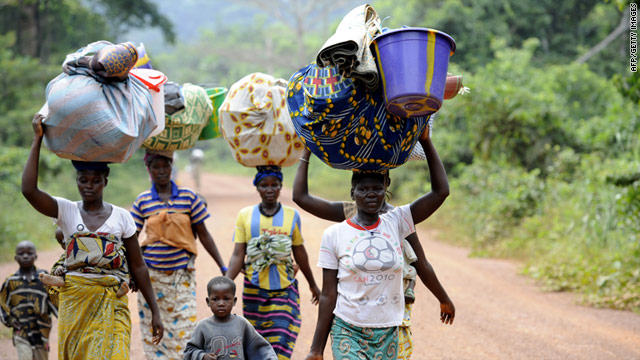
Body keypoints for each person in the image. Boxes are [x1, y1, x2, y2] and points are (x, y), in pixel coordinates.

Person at [21, 113, 163, 360]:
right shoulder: (66, 210)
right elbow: (29, 190)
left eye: (95, 181)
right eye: (83, 180)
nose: (89, 185)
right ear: (76, 181)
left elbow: (138, 265)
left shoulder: (122, 217)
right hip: (76, 301)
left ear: (105, 182)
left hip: (112, 299)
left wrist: (155, 311)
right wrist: (37, 139)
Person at [303, 132, 455, 360]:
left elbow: (440, 192)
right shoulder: (334, 234)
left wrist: (426, 141)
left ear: (386, 189)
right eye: (363, 189)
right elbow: (328, 295)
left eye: (377, 188)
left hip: (388, 330)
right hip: (348, 328)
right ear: (352, 193)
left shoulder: (398, 221)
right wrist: (316, 349)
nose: (371, 194)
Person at [132, 150, 227, 360]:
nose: (161, 171)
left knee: (185, 330)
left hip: (182, 277)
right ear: (149, 170)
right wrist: (130, 272)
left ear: (171, 166)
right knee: (154, 334)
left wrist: (223, 267)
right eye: (155, 167)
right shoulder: (143, 201)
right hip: (151, 279)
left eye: (165, 166)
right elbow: (131, 238)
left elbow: (204, 234)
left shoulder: (188, 197)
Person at [226, 165, 321, 360]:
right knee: (257, 341)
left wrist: (313, 285)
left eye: (274, 185)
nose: (269, 190)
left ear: (280, 187)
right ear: (257, 187)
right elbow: (238, 254)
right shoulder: (245, 215)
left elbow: (299, 251)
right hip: (254, 289)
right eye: (264, 185)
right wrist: (225, 283)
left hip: (284, 287)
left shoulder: (291, 215)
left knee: (281, 337)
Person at [184, 276, 278, 360]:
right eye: (215, 299)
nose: (221, 303)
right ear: (208, 302)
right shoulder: (203, 326)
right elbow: (189, 351)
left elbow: (260, 347)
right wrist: (203, 356)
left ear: (234, 301)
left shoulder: (242, 324)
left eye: (226, 299)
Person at [0, 241, 57, 360]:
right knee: (24, 356)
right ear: (16, 258)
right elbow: (2, 302)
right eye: (21, 253)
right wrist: (9, 319)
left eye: (29, 253)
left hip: (42, 331)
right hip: (21, 330)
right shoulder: (11, 281)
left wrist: (63, 317)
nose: (25, 256)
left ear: (35, 256)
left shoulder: (44, 278)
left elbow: (54, 299)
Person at [39, 227, 130, 298]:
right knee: (63, 271)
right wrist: (58, 269)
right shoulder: (68, 255)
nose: (64, 243)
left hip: (107, 271)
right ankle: (60, 280)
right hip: (80, 275)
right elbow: (59, 263)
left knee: (122, 272)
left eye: (65, 239)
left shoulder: (90, 245)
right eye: (61, 242)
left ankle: (120, 289)